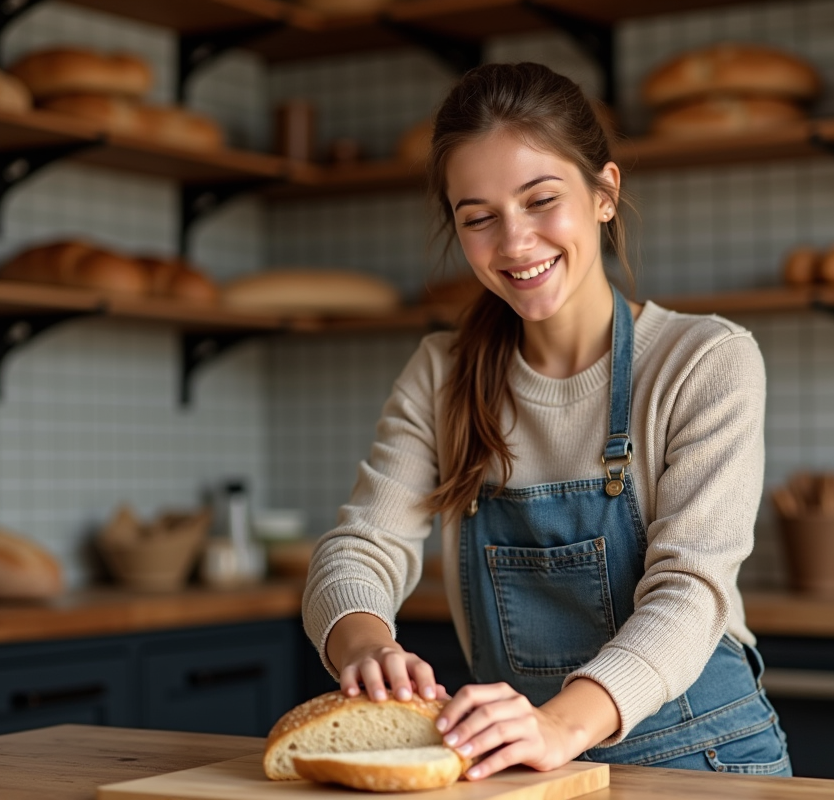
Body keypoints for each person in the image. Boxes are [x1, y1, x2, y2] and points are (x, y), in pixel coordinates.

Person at [302, 62, 791, 779]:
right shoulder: (443, 372)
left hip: (703, 760)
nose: (515, 243)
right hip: (528, 766)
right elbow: (359, 548)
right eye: (479, 218)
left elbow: (691, 595)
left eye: (540, 200)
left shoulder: (705, 361)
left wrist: (560, 725)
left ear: (604, 193)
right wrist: (365, 647)